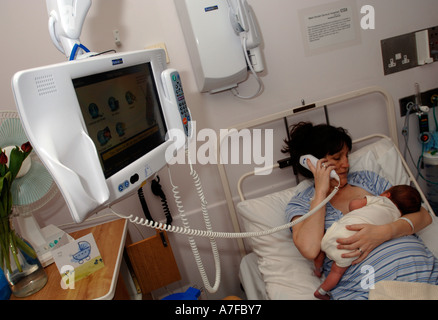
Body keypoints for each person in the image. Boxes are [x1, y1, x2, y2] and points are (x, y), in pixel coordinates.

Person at [282, 122, 437, 300]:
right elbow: (309, 249)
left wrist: (384, 232)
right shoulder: (301, 204)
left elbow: (424, 216)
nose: (346, 164)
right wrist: (320, 192)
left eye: (346, 156)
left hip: (426, 276)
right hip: (369, 290)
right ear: (312, 163)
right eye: (337, 158)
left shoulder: (368, 180)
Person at [314, 185, 422, 300]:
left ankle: (317, 269)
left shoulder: (380, 200)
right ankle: (321, 291)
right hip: (349, 247)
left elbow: (353, 205)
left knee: (322, 250)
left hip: (336, 231)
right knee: (336, 272)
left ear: (387, 194)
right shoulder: (398, 218)